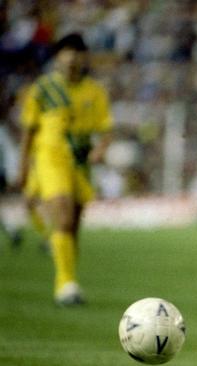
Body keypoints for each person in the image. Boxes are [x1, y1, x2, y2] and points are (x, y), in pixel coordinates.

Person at [17, 33, 113, 306]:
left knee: (73, 226)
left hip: (80, 163)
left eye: (77, 52)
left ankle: (69, 276)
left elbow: (106, 130)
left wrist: (100, 150)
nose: (72, 58)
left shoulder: (95, 91)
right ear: (58, 57)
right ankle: (65, 284)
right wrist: (23, 167)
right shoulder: (44, 90)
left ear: (84, 58)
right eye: (66, 51)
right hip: (50, 160)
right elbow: (29, 131)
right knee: (64, 216)